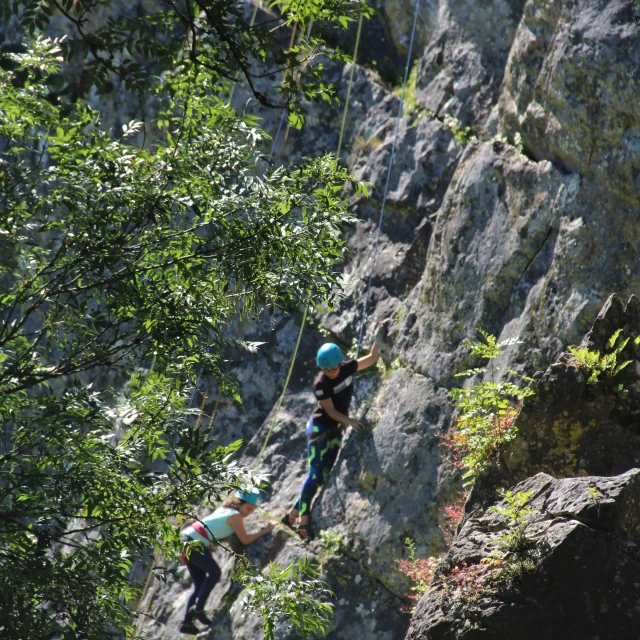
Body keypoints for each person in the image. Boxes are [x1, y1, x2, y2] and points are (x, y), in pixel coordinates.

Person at [281, 341, 380, 540]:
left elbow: (371, 359)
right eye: (326, 369)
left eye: (333, 368)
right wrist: (351, 421)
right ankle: (304, 520)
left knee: (323, 474)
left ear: (340, 363)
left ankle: (291, 515)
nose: (331, 372)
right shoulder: (321, 384)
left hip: (335, 430)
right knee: (315, 473)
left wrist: (378, 338)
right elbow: (330, 411)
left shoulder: (347, 367)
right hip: (320, 429)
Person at [179, 488, 275, 634]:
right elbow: (245, 539)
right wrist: (267, 530)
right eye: (248, 508)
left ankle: (187, 623)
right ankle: (198, 609)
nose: (249, 512)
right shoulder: (235, 516)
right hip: (194, 542)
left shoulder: (225, 509)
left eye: (252, 510)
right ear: (239, 503)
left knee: (199, 584)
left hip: (187, 539)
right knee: (214, 572)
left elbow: (217, 529)